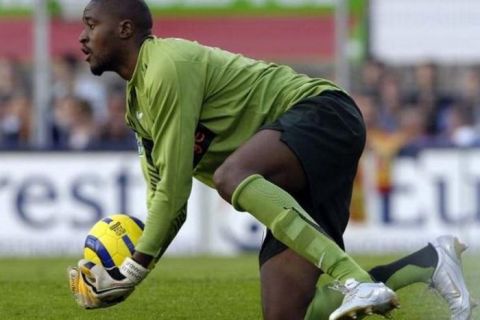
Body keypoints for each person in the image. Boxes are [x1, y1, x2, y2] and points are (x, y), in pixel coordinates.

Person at [68, 1, 475, 319]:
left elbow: (176, 188)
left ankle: (353, 279)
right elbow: (166, 205)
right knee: (288, 315)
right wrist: (121, 275)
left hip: (323, 113)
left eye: (90, 24)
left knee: (231, 175)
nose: (82, 38)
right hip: (294, 171)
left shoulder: (166, 67)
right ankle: (428, 263)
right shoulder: (137, 108)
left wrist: (134, 271)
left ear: (124, 29)